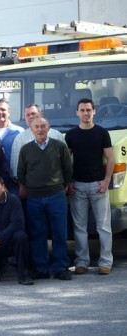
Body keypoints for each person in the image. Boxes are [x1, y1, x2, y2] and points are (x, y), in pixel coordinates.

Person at [17, 117, 73, 280]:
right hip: (34, 197)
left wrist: (62, 185)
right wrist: (32, 188)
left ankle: (60, 268)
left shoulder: (59, 146)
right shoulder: (25, 149)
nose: (40, 129)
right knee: (37, 233)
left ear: (49, 128)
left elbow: (68, 169)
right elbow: (21, 173)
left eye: (43, 126)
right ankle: (41, 268)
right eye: (36, 127)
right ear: (31, 129)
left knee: (59, 233)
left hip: (56, 196)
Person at [65, 98, 114, 275]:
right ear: (77, 113)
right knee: (79, 228)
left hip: (98, 186)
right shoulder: (70, 135)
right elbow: (66, 161)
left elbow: (111, 158)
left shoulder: (102, 133)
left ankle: (106, 262)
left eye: (88, 110)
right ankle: (81, 262)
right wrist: (68, 182)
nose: (85, 113)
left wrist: (107, 180)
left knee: (104, 227)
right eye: (82, 110)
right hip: (77, 186)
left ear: (94, 112)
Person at [10, 104, 64, 181]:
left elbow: (66, 163)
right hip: (32, 188)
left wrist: (66, 184)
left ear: (41, 114)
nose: (31, 116)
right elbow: (15, 167)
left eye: (33, 113)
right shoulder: (19, 139)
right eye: (28, 115)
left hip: (56, 187)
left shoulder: (57, 135)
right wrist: (21, 185)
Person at [0, 98, 24, 166]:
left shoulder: (19, 132)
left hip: (11, 175)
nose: (0, 112)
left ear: (9, 112)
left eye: (3, 109)